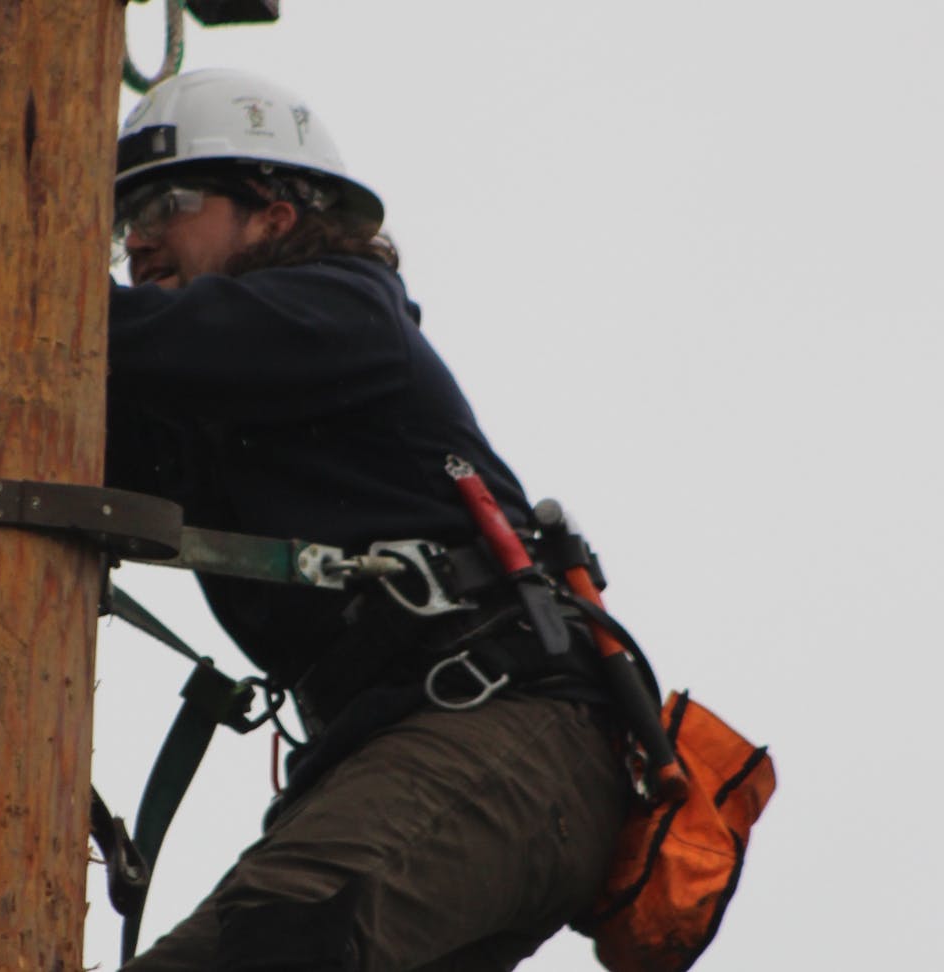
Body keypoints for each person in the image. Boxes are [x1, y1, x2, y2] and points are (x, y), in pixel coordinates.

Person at [104, 69, 633, 971]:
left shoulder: (341, 308)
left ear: (275, 214)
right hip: (409, 755)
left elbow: (97, 333)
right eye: (126, 221)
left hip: (502, 728)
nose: (139, 240)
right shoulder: (202, 410)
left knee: (267, 948)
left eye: (169, 203)